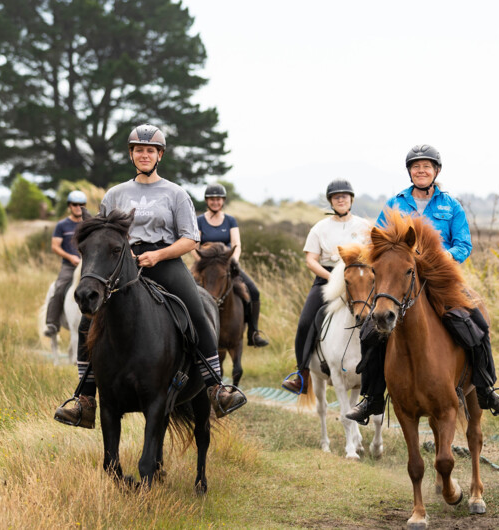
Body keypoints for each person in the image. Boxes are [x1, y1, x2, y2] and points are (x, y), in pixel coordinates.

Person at [54, 124, 245, 429]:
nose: (144, 155)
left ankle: (216, 388)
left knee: (196, 309)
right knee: (90, 320)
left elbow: (189, 240)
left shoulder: (176, 193)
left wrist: (158, 254)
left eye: (150, 150)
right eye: (139, 150)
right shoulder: (115, 194)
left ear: (160, 155)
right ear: (132, 155)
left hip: (165, 261)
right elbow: (103, 236)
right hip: (121, 265)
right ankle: (85, 400)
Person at [345, 144, 499, 423]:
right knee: (369, 332)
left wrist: (446, 256)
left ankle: (486, 390)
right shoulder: (394, 204)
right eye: (416, 166)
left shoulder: (451, 206)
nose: (421, 170)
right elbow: (377, 242)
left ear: (436, 171)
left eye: (426, 166)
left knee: (477, 323)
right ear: (410, 172)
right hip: (401, 279)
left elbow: (464, 244)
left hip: (440, 278)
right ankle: (372, 398)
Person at [280, 179, 372, 393]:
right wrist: (331, 278)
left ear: (351, 200)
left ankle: (381, 372)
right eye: (336, 197)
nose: (341, 199)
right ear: (331, 201)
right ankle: (302, 375)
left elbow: (372, 256)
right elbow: (311, 259)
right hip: (327, 278)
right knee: (304, 323)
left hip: (358, 280)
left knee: (380, 318)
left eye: (344, 196)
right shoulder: (320, 228)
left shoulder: (364, 226)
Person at [194, 183, 269, 347]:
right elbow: (194, 246)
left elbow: (236, 244)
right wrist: (203, 263)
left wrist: (230, 262)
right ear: (207, 201)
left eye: (218, 199)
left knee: (254, 292)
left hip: (227, 266)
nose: (215, 202)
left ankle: (253, 332)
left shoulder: (230, 220)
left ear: (223, 201)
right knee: (187, 292)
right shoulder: (199, 220)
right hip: (205, 267)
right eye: (212, 199)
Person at [43, 190, 86, 338]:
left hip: (87, 265)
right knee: (60, 287)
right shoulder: (62, 225)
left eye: (81, 204)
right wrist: (71, 257)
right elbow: (55, 246)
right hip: (69, 265)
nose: (78, 207)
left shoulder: (88, 224)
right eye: (75, 204)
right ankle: (52, 324)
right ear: (69, 206)